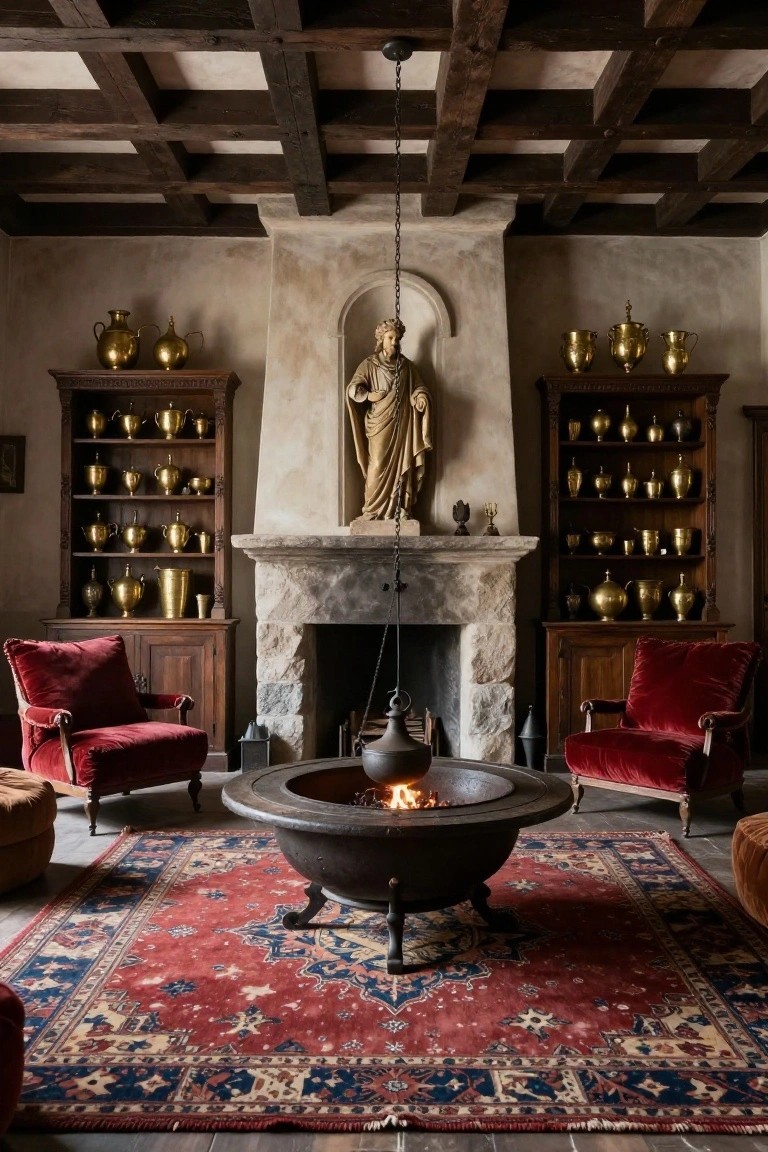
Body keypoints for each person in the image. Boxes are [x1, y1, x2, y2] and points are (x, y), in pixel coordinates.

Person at [346, 318, 433, 521]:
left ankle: (399, 508)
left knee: (402, 466)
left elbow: (419, 388)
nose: (395, 342)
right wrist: (368, 396)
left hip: (403, 424)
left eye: (398, 338)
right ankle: (372, 509)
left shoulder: (408, 367)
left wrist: (419, 398)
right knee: (376, 465)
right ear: (381, 339)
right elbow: (352, 388)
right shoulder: (369, 364)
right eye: (391, 337)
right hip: (379, 424)